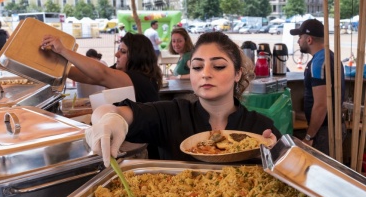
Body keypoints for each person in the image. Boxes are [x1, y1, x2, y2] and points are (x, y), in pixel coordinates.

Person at [84, 31, 280, 165]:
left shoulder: (260, 129)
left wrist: (276, 157)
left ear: (238, 73)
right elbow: (113, 110)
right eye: (197, 67)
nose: (205, 73)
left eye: (218, 66)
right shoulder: (171, 114)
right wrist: (108, 120)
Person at [41, 32, 161, 104]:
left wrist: (63, 51)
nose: (116, 55)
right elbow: (88, 76)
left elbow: (101, 74)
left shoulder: (142, 81)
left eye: (123, 51)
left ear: (137, 56)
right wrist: (53, 67)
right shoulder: (122, 70)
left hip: (141, 144)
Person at [290, 18, 345, 155]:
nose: (298, 41)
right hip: (332, 126)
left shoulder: (319, 62)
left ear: (309, 40)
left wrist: (309, 137)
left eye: (300, 37)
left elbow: (321, 105)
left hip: (324, 131)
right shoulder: (329, 56)